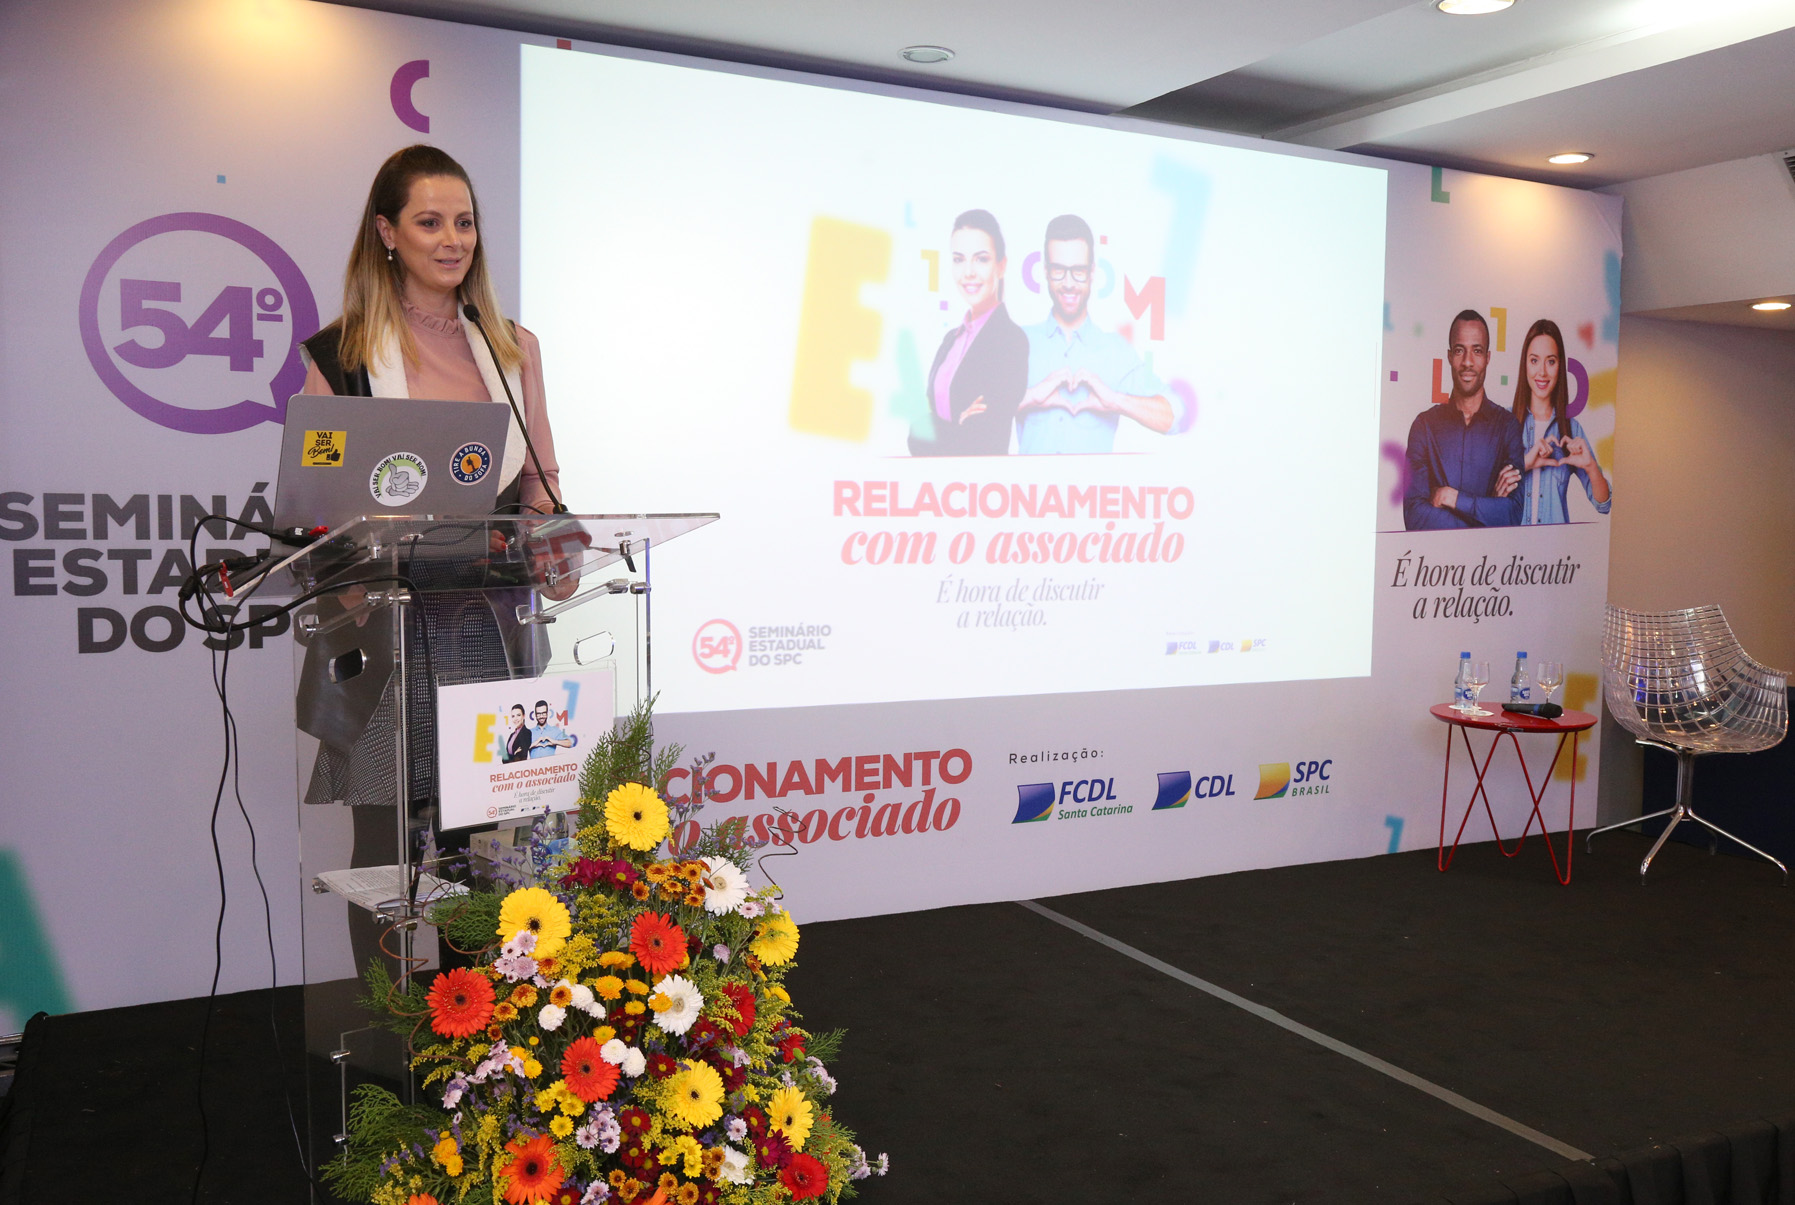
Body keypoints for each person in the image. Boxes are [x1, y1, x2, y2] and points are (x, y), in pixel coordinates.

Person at [298, 143, 561, 513]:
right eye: (430, 223)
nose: (453, 241)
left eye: (464, 223)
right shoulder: (341, 355)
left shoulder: (514, 345)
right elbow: (317, 496)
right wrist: (443, 539)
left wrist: (547, 521)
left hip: (501, 553)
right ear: (387, 232)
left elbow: (539, 482)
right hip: (391, 555)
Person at [1016, 214, 1175, 454]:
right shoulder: (1018, 343)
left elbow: (1173, 417)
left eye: (1078, 271)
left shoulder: (1116, 351)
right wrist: (1029, 397)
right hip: (1029, 481)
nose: (1069, 283)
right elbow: (972, 413)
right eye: (1059, 270)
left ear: (1092, 272)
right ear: (1046, 271)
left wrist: (1116, 401)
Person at [908, 209, 1029, 457]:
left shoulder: (1011, 341)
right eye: (959, 259)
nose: (968, 272)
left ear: (1001, 266)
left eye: (981, 259)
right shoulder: (951, 340)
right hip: (930, 479)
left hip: (981, 480)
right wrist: (956, 425)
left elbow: (980, 440)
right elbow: (921, 430)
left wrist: (934, 428)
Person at [1403, 309, 1524, 529]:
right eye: (1460, 350)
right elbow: (1414, 517)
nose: (1468, 362)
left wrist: (1453, 498)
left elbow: (1513, 515)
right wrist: (1487, 512)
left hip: (1490, 554)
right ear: (1449, 356)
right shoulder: (1423, 426)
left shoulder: (1508, 426)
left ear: (1487, 358)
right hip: (1437, 554)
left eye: (1477, 351)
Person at [1511, 319, 1612, 524]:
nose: (1542, 372)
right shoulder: (1505, 423)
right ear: (1525, 365)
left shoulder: (1571, 429)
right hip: (1510, 544)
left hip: (1555, 544)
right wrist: (1523, 464)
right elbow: (1485, 492)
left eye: (1551, 361)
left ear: (1560, 366)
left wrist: (1591, 467)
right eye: (1534, 360)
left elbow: (1603, 505)